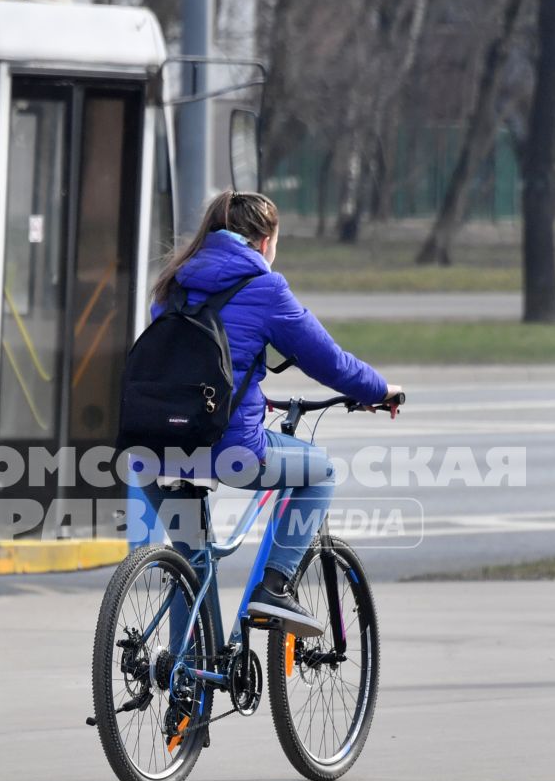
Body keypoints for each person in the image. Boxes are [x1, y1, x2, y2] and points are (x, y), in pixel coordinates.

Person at [139, 189, 399, 639]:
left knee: (190, 555)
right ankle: (274, 587)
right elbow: (329, 362)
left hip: (152, 445)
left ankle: (188, 689)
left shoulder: (174, 282)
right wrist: (381, 389)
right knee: (320, 474)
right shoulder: (265, 288)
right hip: (227, 447)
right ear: (264, 242)